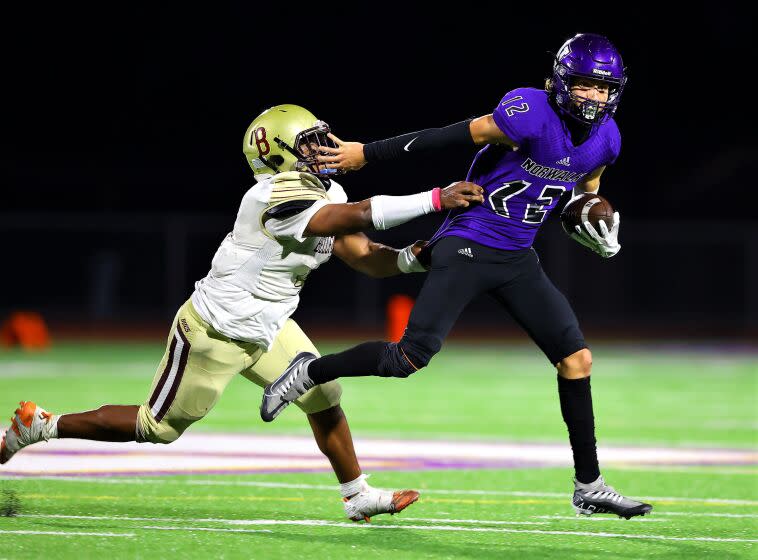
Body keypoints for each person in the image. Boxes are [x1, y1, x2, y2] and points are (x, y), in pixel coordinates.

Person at [0, 104, 483, 522]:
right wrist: (434, 199)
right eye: (311, 143)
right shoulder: (271, 194)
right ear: (278, 153)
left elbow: (359, 252)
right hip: (216, 329)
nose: (324, 149)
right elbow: (344, 219)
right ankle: (41, 425)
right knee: (157, 428)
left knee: (324, 394)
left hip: (271, 327)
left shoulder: (328, 192)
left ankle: (357, 496)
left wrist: (410, 259)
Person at [260, 34, 653, 519]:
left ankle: (589, 485)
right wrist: (369, 153)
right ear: (558, 82)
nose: (593, 97)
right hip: (467, 242)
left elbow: (581, 194)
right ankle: (310, 371)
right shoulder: (530, 110)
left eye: (602, 88)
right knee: (407, 358)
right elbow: (445, 136)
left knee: (577, 360)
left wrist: (597, 227)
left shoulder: (607, 137)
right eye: (584, 85)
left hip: (516, 257)